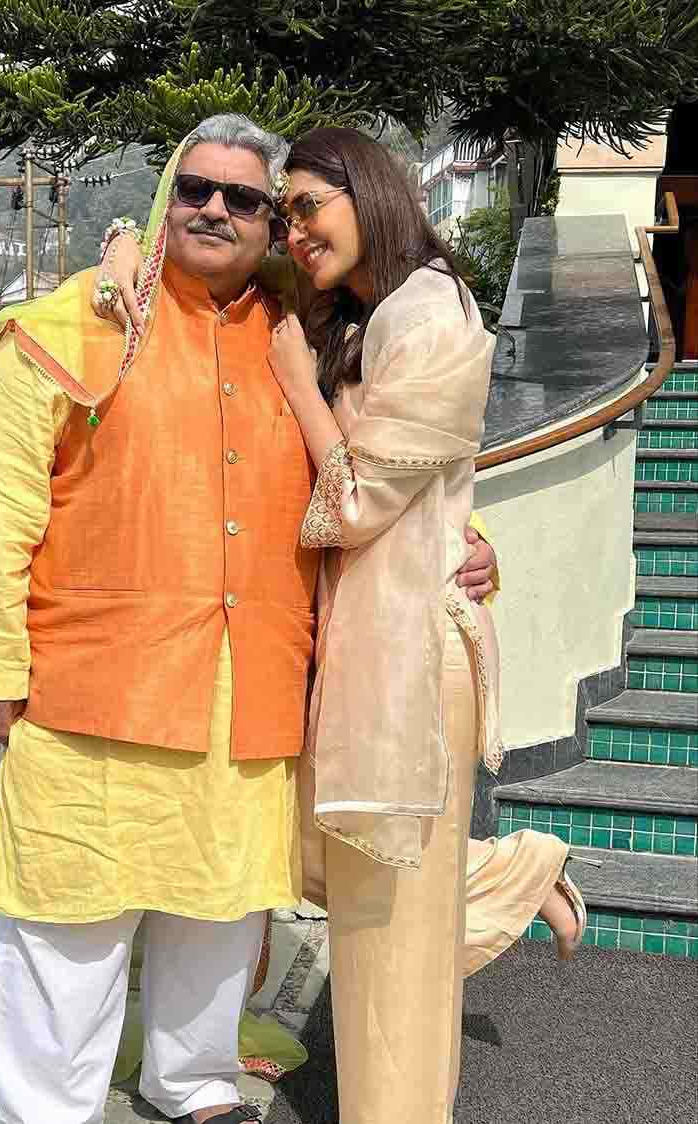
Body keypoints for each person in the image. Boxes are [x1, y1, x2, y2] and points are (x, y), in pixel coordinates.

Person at [0, 113, 495, 1124]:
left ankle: (191, 1083)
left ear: (270, 223)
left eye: (245, 197)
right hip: (90, 696)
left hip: (252, 704)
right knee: (65, 933)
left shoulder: (302, 341)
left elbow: (393, 463)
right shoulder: (73, 328)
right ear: (165, 199)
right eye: (195, 187)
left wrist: (473, 543)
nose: (215, 209)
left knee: (219, 918)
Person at [95, 123, 587, 1124]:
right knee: (332, 868)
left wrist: (293, 380)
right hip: (346, 647)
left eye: (308, 206)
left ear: (370, 193)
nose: (292, 231)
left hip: (405, 658)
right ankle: (513, 871)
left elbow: (361, 497)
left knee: (390, 942)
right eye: (283, 212)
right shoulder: (352, 308)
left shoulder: (433, 310)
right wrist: (119, 254)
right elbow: (192, 245)